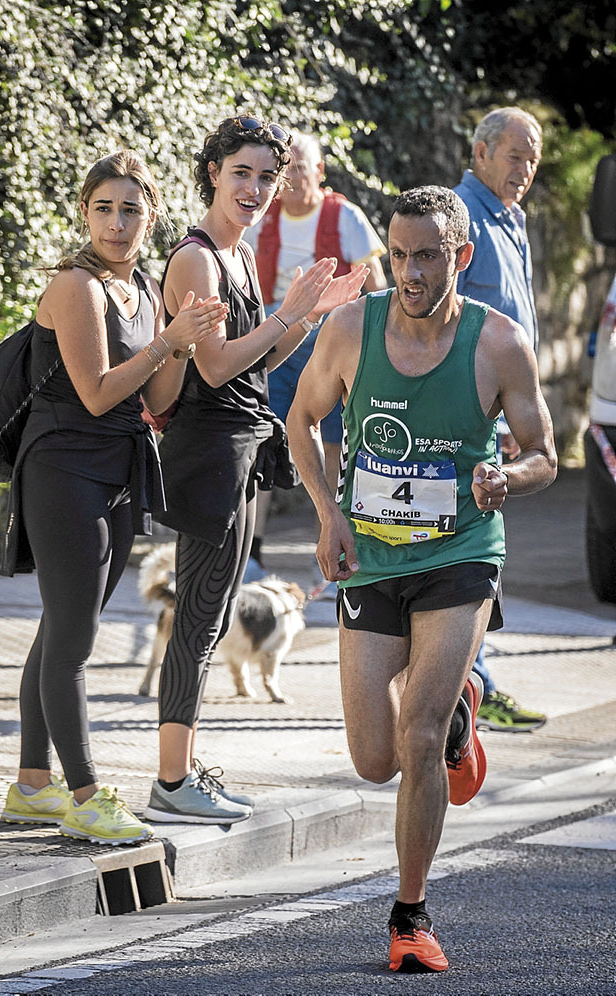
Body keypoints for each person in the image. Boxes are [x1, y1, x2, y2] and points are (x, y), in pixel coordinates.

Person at [286, 185, 557, 972]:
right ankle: (460, 705)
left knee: (419, 730)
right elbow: (301, 419)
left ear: (460, 257)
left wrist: (511, 477)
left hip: (461, 554)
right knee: (375, 759)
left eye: (427, 255)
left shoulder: (498, 343)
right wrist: (327, 513)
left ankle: (411, 916)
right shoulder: (349, 328)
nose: (409, 271)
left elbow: (546, 453)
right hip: (370, 554)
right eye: (400, 255)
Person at [144, 115, 368, 825]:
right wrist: (289, 312)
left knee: (208, 623)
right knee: (197, 622)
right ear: (213, 171)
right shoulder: (198, 260)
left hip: (238, 450)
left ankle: (181, 775)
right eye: (242, 173)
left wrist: (307, 317)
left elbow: (257, 361)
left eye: (267, 177)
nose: (256, 188)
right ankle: (172, 783)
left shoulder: (238, 258)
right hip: (208, 456)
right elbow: (212, 366)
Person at [0, 150, 227, 844]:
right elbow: (98, 390)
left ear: (151, 215)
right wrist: (167, 341)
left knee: (62, 627)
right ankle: (88, 795)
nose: (118, 222)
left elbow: (155, 399)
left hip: (120, 469)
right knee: (75, 638)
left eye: (131, 209)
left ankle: (32, 785)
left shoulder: (144, 289)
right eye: (104, 208)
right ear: (84, 212)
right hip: (63, 468)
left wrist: (182, 346)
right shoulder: (76, 286)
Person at [242, 130, 387, 577]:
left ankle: (339, 535)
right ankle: (253, 549)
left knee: (337, 443)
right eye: (288, 171)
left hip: (333, 338)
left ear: (320, 172)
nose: (293, 180)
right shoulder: (263, 218)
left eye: (302, 169)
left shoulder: (346, 217)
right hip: (277, 336)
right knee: (265, 436)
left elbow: (376, 286)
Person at [455, 106, 548, 732]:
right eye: (515, 155)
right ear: (482, 152)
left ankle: (471, 680)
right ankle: (472, 683)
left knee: (482, 548)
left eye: (533, 158)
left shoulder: (508, 217)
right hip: (464, 415)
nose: (525, 169)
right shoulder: (464, 218)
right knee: (471, 548)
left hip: (498, 412)